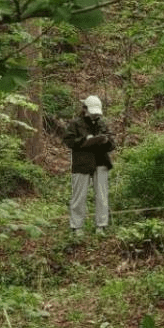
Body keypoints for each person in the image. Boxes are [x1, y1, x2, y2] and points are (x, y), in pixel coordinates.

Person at [64, 95, 115, 236]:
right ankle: (76, 227)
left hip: (101, 161)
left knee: (102, 195)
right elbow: (68, 141)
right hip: (82, 163)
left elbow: (112, 144)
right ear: (85, 109)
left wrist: (105, 141)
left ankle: (101, 226)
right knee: (79, 196)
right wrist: (84, 140)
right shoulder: (75, 124)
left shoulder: (101, 124)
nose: (94, 116)